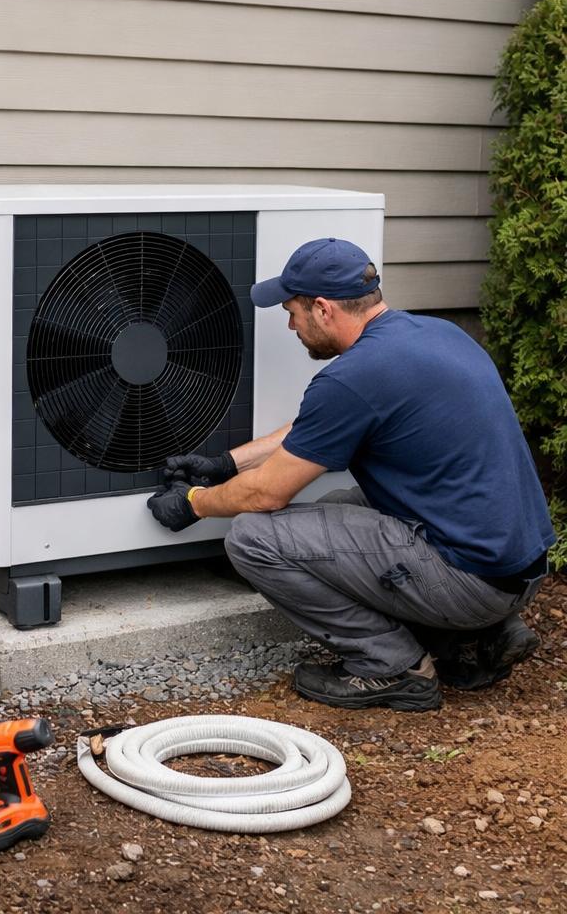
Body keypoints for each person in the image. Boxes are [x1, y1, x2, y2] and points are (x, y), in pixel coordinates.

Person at [146, 237, 555, 712]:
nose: (291, 324)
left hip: (473, 582)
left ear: (322, 309)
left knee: (253, 538)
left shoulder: (353, 376)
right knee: (339, 504)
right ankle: (478, 635)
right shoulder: (434, 334)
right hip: (517, 570)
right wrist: (227, 464)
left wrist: (194, 503)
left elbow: (266, 495)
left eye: (292, 311)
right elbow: (319, 427)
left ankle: (394, 666)